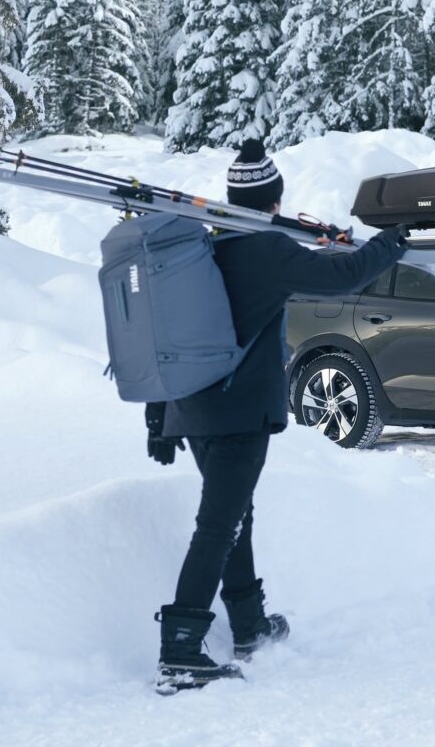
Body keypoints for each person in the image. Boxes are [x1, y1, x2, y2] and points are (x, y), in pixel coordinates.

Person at [145, 137, 408, 692]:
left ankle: (248, 626)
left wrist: (159, 414)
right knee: (218, 525)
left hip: (195, 407)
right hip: (238, 412)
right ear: (274, 199)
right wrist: (391, 242)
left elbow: (169, 329)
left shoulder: (210, 244)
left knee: (234, 515)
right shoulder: (265, 250)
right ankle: (181, 649)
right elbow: (343, 277)